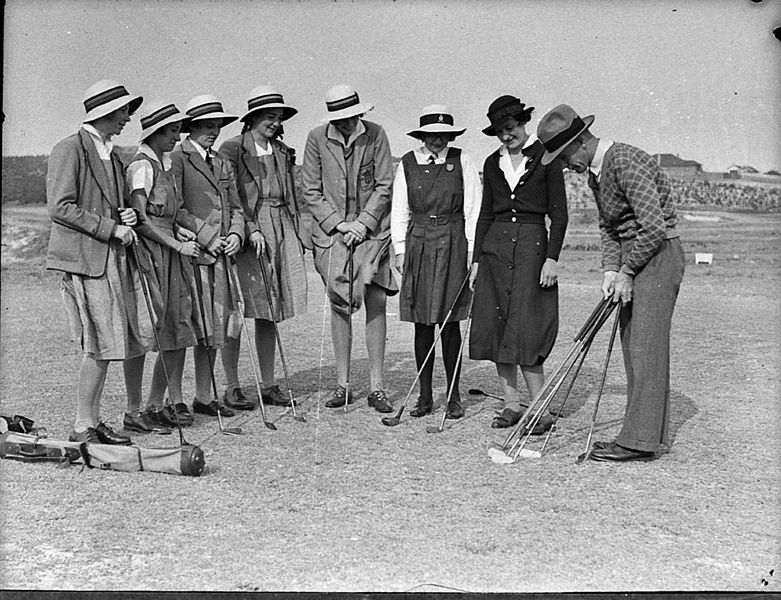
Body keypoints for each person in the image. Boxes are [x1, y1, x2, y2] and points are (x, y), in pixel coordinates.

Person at [537, 104, 685, 462]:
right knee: (634, 345)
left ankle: (639, 440)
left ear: (580, 142)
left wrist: (627, 271)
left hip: (657, 257)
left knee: (645, 349)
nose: (564, 166)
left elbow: (653, 228)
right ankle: (643, 434)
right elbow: (608, 227)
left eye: (563, 156)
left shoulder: (625, 161)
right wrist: (609, 269)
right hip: (634, 258)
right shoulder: (596, 173)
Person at [46, 79, 149, 444]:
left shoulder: (112, 152)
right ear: (104, 112)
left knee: (106, 344)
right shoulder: (69, 149)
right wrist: (110, 228)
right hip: (86, 261)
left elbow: (111, 202)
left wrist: (128, 218)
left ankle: (89, 421)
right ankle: (81, 425)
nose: (127, 118)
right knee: (99, 343)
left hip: (109, 260)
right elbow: (60, 207)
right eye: (123, 111)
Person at [468, 95, 568, 431]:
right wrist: (478, 259)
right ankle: (511, 405)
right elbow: (484, 214)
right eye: (499, 131)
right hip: (496, 247)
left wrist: (551, 258)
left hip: (531, 248)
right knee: (498, 325)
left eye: (510, 128)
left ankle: (540, 409)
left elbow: (559, 214)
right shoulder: (490, 162)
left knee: (527, 326)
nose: (506, 136)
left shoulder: (547, 157)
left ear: (523, 123)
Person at [302, 84, 397, 413]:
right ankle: (342, 384)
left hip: (372, 234)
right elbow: (311, 190)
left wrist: (364, 223)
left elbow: (385, 185)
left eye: (351, 117)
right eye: (339, 118)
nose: (346, 123)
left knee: (376, 300)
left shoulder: (376, 134)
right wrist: (341, 225)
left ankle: (377, 386)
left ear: (360, 113)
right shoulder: (316, 138)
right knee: (340, 304)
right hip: (334, 236)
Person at [218, 86, 308, 408]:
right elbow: (232, 198)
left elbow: (293, 197)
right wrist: (251, 228)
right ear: (253, 118)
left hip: (282, 225)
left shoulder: (282, 151)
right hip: (248, 233)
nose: (275, 122)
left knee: (270, 310)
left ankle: (269, 384)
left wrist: (298, 233)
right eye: (269, 116)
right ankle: (232, 385)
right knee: (239, 310)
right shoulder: (232, 150)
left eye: (278, 117)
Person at [390, 105, 481, 419]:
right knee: (423, 321)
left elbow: (473, 210)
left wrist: (471, 253)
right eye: (432, 136)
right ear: (422, 136)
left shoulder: (463, 161)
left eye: (444, 135)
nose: (438, 141)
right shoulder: (407, 164)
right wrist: (401, 251)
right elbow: (399, 210)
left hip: (454, 241)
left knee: (450, 321)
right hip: (419, 242)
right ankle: (425, 395)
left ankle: (454, 395)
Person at [170, 94, 250, 419]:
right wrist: (208, 236)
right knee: (190, 328)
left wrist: (235, 234)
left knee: (216, 328)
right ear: (191, 127)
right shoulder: (178, 157)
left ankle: (204, 395)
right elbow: (177, 209)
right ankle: (173, 400)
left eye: (217, 125)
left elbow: (236, 207)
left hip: (223, 258)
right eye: (205, 125)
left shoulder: (222, 161)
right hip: (195, 257)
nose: (213, 131)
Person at [123, 100, 201, 432]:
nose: (176, 137)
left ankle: (157, 404)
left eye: (177, 131)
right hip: (150, 256)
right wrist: (175, 243)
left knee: (177, 328)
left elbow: (166, 213)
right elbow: (140, 218)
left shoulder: (166, 164)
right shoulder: (141, 166)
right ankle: (133, 409)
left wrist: (178, 228)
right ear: (154, 133)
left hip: (171, 253)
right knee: (145, 331)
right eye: (170, 131)